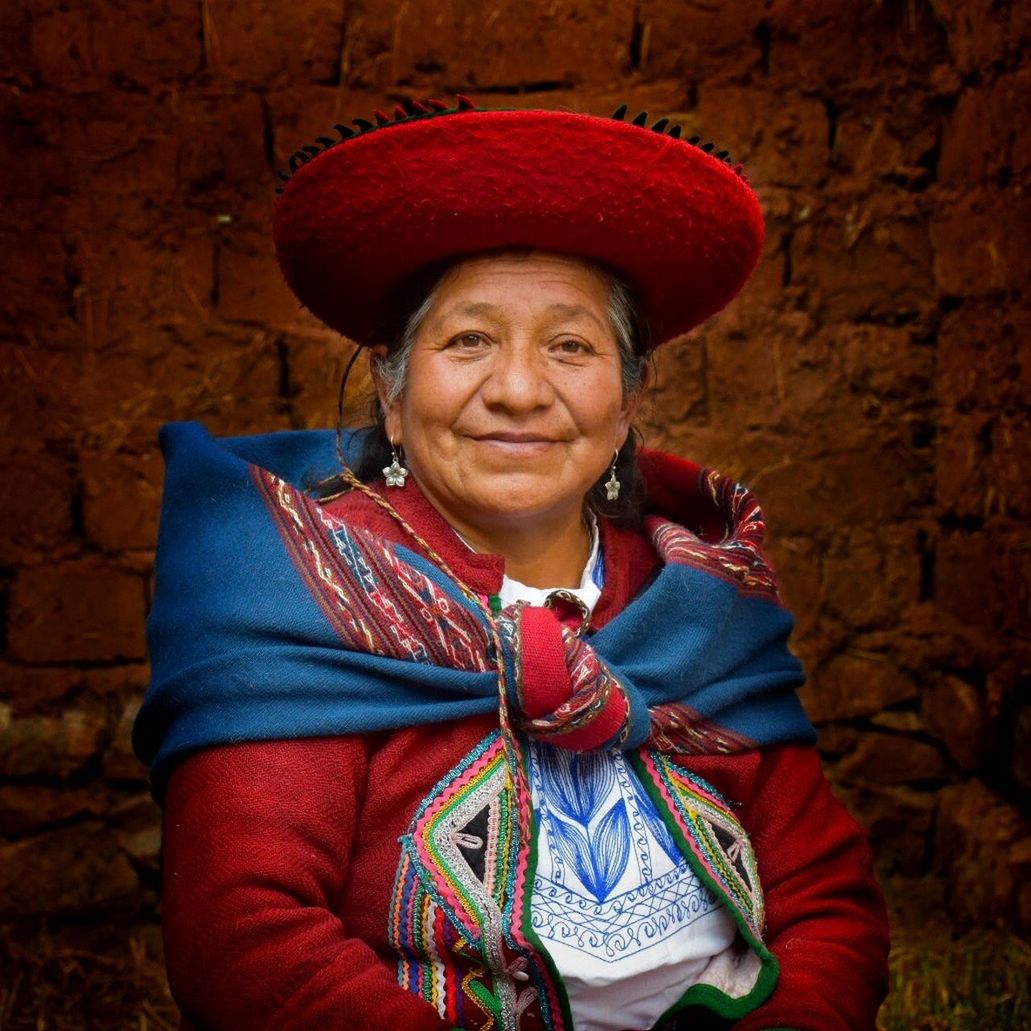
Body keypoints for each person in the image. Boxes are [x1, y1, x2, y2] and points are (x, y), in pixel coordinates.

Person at [134, 99, 889, 1031]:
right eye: (467, 341)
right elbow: (246, 933)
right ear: (393, 393)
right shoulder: (298, 593)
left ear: (625, 402)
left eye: (570, 346)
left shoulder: (699, 602)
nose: (520, 389)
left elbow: (827, 901)